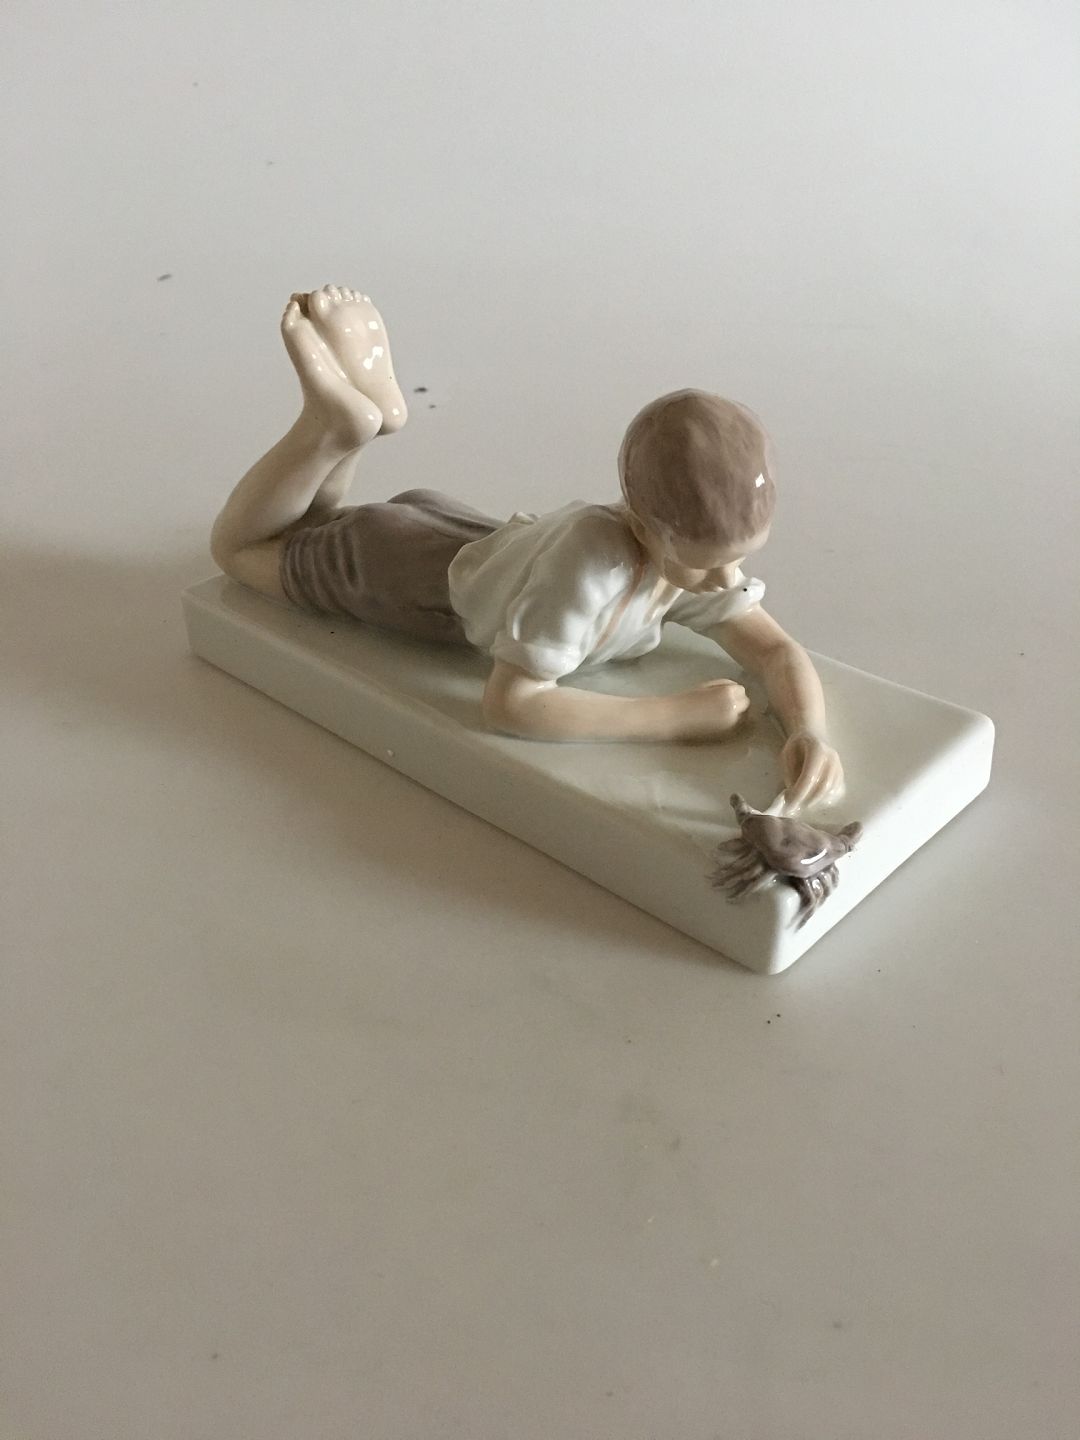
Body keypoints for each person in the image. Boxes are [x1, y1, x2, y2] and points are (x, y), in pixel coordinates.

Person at [211, 286, 844, 809]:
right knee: (241, 551)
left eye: (740, 556)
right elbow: (511, 704)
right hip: (403, 576)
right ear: (643, 521)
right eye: (705, 564)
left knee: (315, 521)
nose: (726, 580)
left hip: (457, 538)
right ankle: (329, 427)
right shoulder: (593, 567)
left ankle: (350, 428)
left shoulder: (685, 553)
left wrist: (809, 731)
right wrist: (677, 716)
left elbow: (773, 650)